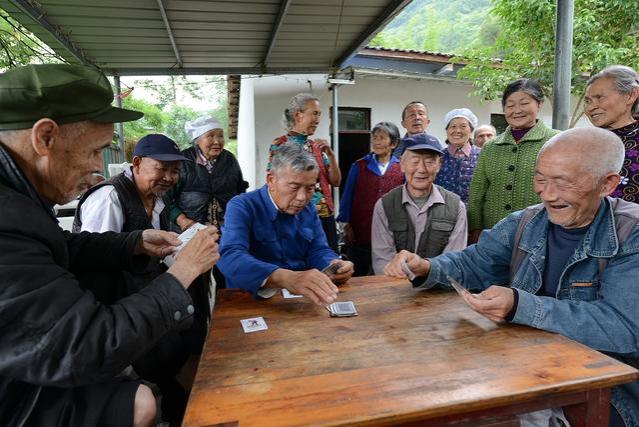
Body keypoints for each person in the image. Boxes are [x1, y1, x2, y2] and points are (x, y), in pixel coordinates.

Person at [0, 64, 220, 427]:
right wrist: (182, 272)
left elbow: (58, 244)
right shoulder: (9, 219)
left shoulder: (20, 203)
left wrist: (134, 242)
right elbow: (85, 346)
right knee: (139, 402)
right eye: (94, 152)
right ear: (45, 138)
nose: (95, 170)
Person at [385, 127, 639, 427]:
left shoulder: (629, 233)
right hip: (528, 377)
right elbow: (475, 263)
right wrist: (427, 268)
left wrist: (521, 305)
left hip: (603, 394)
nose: (547, 193)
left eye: (563, 182)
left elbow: (623, 327)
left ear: (607, 184)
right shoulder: (527, 221)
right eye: (541, 178)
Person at [73, 133, 208, 424]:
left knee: (195, 326)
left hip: (142, 291)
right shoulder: (110, 197)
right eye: (162, 168)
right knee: (170, 346)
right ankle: (192, 406)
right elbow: (97, 259)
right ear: (136, 163)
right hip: (114, 306)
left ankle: (182, 408)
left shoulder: (156, 202)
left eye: (175, 171)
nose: (170, 178)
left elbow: (149, 253)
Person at [218, 144, 354, 306]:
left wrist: (333, 264)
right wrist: (285, 278)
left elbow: (318, 249)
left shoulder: (309, 208)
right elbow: (230, 256)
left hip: (299, 301)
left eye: (310, 188)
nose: (302, 198)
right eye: (294, 187)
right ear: (271, 180)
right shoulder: (242, 206)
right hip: (250, 299)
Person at [468, 78, 559, 244]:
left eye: (524, 103)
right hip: (493, 234)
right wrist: (475, 229)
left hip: (541, 233)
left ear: (539, 104)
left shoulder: (556, 141)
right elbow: (477, 193)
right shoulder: (491, 147)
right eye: (510, 105)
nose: (517, 110)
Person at [371, 133, 467, 275]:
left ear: (439, 165)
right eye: (414, 161)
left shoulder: (456, 207)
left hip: (438, 288)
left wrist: (426, 275)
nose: (421, 169)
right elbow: (382, 262)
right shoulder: (384, 205)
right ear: (402, 164)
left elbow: (454, 262)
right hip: (394, 287)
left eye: (429, 162)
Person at [268, 93, 341, 251]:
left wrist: (331, 155)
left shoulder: (317, 146)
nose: (318, 119)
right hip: (296, 214)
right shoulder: (281, 144)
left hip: (324, 215)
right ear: (298, 115)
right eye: (314, 113)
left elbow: (335, 182)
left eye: (319, 114)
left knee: (330, 260)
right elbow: (272, 182)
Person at [337, 122, 404, 276]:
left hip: (390, 230)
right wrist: (346, 224)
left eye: (382, 138)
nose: (376, 141)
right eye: (374, 138)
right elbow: (347, 196)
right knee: (358, 271)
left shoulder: (401, 168)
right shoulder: (359, 166)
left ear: (393, 143)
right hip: (361, 229)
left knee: (386, 273)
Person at [169, 115, 248, 232]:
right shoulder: (183, 161)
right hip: (190, 231)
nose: (217, 141)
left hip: (226, 230)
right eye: (210, 136)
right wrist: (182, 220)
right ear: (197, 140)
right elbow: (165, 198)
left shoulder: (229, 159)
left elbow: (240, 190)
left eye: (220, 136)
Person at [585, 64, 639, 203]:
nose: (591, 107)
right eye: (588, 101)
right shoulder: (583, 142)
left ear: (631, 95)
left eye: (600, 97)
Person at [435, 108, 481, 202]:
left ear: (471, 130)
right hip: (443, 212)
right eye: (453, 126)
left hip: (474, 213)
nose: (458, 131)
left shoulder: (483, 155)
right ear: (447, 130)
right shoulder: (438, 157)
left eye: (463, 126)